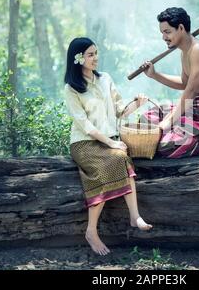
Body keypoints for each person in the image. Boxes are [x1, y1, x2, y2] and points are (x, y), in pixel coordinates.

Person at [64, 37, 152, 256]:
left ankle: (135, 216)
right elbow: (84, 125)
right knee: (112, 160)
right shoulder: (71, 89)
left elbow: (120, 111)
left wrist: (136, 104)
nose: (95, 58)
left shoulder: (106, 79)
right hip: (84, 143)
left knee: (120, 157)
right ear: (78, 59)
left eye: (96, 53)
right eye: (90, 54)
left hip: (108, 141)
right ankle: (91, 231)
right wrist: (112, 142)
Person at [140, 7, 199, 158]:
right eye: (162, 33)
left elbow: (190, 92)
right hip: (192, 108)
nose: (164, 37)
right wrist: (154, 75)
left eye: (167, 32)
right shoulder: (185, 51)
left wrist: (168, 122)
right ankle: (193, 132)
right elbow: (184, 83)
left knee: (166, 146)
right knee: (147, 119)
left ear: (181, 28)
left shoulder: (198, 51)